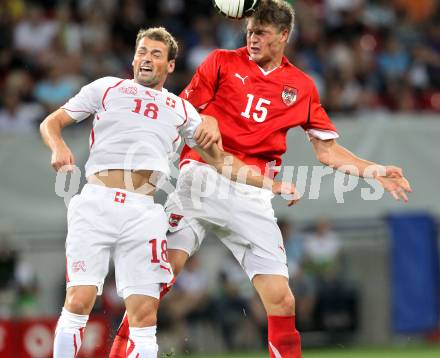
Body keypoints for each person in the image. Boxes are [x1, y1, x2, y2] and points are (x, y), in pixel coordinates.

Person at [110, 1, 412, 357]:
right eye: (250, 31)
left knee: (282, 301)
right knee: (154, 283)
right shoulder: (221, 61)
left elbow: (327, 152)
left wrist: (375, 171)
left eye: (262, 33)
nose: (252, 38)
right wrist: (198, 119)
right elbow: (179, 112)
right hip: (201, 181)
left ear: (283, 36)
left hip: (251, 195)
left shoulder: (300, 86)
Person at [40, 26, 296, 358]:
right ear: (133, 58)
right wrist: (57, 146)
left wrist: (271, 184)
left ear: (170, 65)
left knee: (145, 317)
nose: (146, 59)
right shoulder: (106, 88)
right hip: (96, 203)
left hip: (143, 212)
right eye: (142, 52)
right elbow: (52, 121)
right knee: (78, 301)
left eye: (156, 54)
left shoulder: (182, 110)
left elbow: (221, 162)